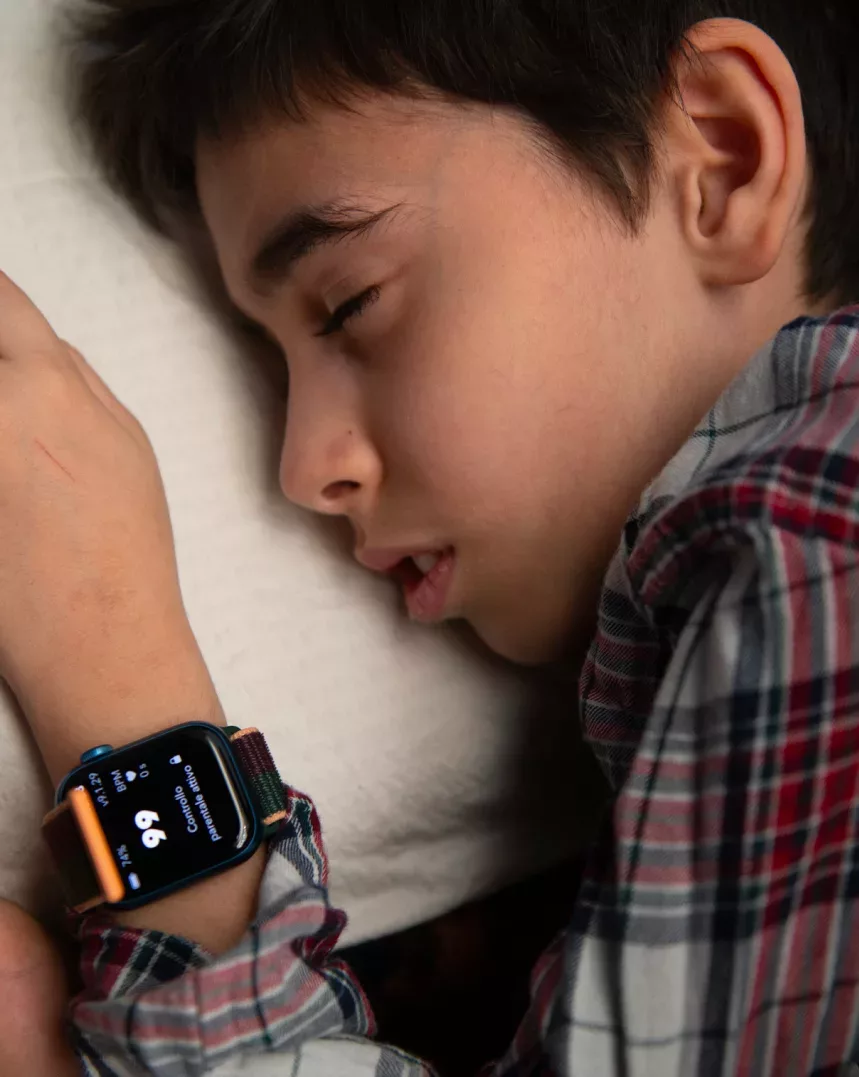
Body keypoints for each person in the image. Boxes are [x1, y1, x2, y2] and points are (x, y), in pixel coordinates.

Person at [0, 0, 858, 1072]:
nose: (305, 468)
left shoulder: (816, 532)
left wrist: (113, 669)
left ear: (721, 160)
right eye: (270, 367)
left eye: (350, 302)